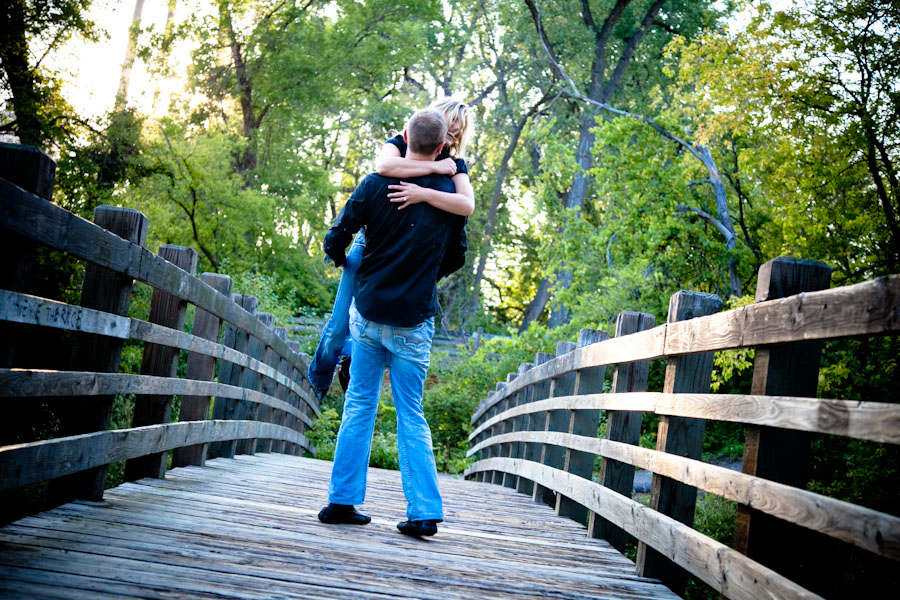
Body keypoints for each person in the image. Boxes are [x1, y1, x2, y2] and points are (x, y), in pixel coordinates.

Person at [317, 109, 467, 537]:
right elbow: (457, 255)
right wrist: (422, 276)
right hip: (413, 322)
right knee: (411, 414)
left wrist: (346, 263)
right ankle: (423, 512)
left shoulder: (375, 183)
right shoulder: (448, 194)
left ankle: (341, 502)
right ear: (442, 148)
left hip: (368, 316)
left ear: (404, 138)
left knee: (359, 403)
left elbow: (337, 235)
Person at [307, 97, 474, 400]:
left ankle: (350, 362)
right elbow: (383, 166)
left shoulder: (455, 166)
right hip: (368, 243)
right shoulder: (401, 142)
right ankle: (316, 383)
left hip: (410, 253)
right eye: (448, 128)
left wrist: (422, 193)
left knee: (378, 325)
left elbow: (466, 205)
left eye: (457, 132)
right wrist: (434, 167)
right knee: (338, 324)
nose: (451, 137)